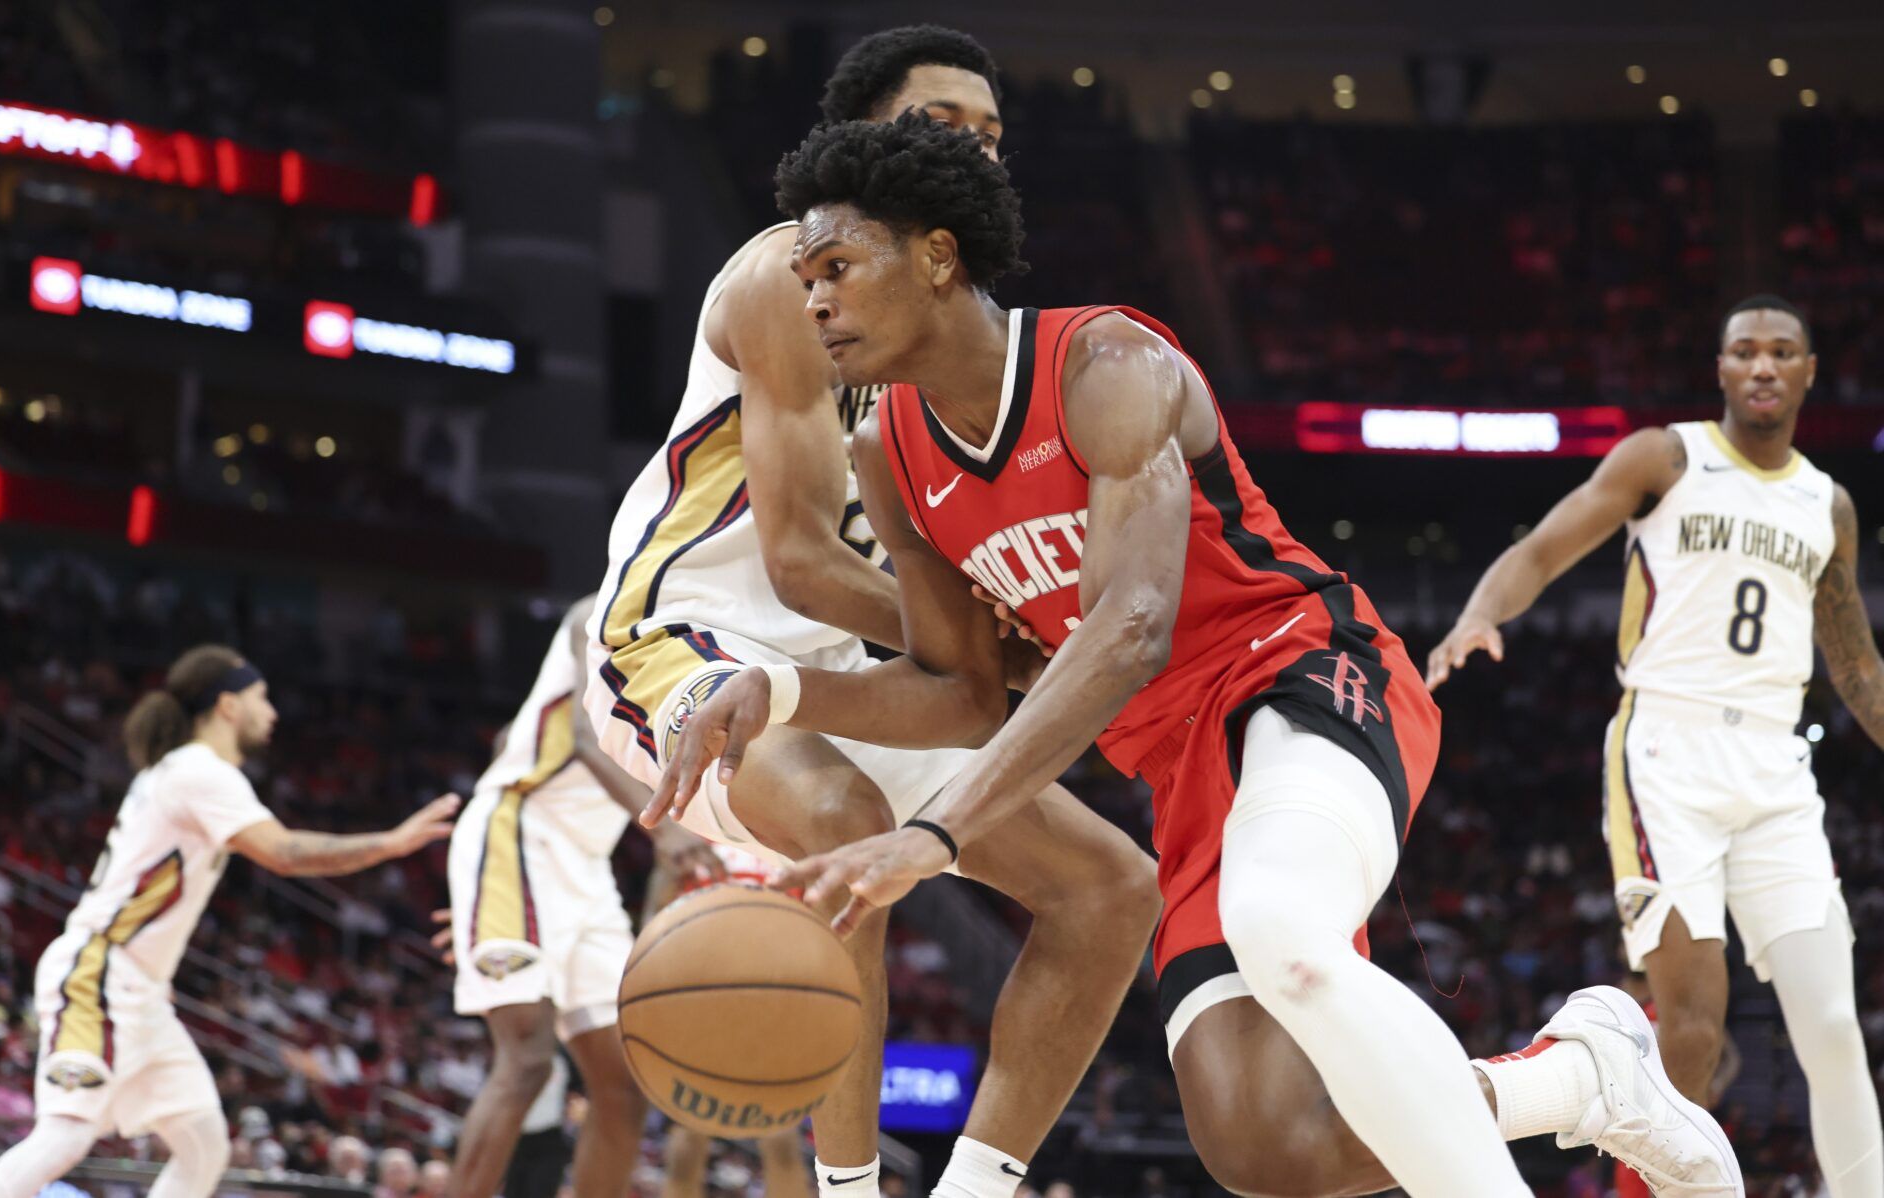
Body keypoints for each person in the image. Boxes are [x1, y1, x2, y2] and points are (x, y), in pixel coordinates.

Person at [653, 113, 1744, 1198]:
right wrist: (781, 689)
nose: (814, 301)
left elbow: (1129, 630)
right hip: (1183, 777)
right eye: (803, 277)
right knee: (1266, 1143)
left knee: (1283, 931)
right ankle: (1578, 1079)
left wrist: (934, 834)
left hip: (1307, 678)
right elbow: (963, 691)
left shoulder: (1108, 363)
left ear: (938, 255)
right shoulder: (885, 451)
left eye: (837, 266)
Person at [587, 26, 1159, 1198]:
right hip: (696, 636)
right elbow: (798, 561)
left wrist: (1007, 632)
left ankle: (977, 1187)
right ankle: (848, 1193)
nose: (982, 150)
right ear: (864, 136)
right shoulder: (782, 284)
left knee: (1111, 889)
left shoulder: (945, 325)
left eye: (995, 135)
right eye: (949, 123)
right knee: (844, 816)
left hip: (847, 670)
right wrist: (984, 634)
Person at [1428, 294, 1884, 1197]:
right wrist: (1480, 611)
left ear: (1806, 373)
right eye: (1744, 350)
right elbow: (1548, 545)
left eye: (1781, 351)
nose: (1761, 365)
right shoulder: (1666, 457)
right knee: (1691, 1027)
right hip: (1667, 748)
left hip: (1776, 767)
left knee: (1833, 1024)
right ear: (1720, 369)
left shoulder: (1826, 505)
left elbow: (1858, 667)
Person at [0, 646, 458, 1198]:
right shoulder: (198, 770)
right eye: (262, 698)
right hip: (98, 975)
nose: (272, 712)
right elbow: (286, 853)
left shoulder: (182, 770)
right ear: (228, 705)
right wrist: (391, 844)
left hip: (139, 989)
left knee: (205, 1144)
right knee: (65, 1134)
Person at [445, 601, 725, 1198]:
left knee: (625, 1084)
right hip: (521, 829)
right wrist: (669, 832)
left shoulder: (717, 637)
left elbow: (507, 737)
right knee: (527, 1061)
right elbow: (582, 737)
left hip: (586, 865)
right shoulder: (595, 610)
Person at [647, 845, 812, 1198]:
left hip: (773, 1001)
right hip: (698, 1001)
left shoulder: (785, 844)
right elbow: (654, 921)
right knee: (689, 1137)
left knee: (780, 1136)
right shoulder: (691, 837)